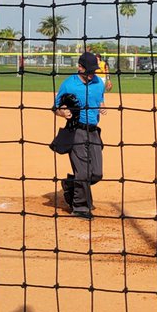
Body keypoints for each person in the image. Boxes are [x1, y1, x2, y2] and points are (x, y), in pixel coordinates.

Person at [53, 51, 106, 219]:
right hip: (76, 131)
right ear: (79, 67)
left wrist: (102, 106)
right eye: (88, 70)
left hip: (94, 132)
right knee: (83, 172)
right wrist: (62, 113)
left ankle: (70, 184)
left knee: (96, 174)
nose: (91, 74)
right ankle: (80, 207)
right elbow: (55, 106)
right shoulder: (69, 84)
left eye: (93, 71)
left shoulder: (98, 83)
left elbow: (100, 98)